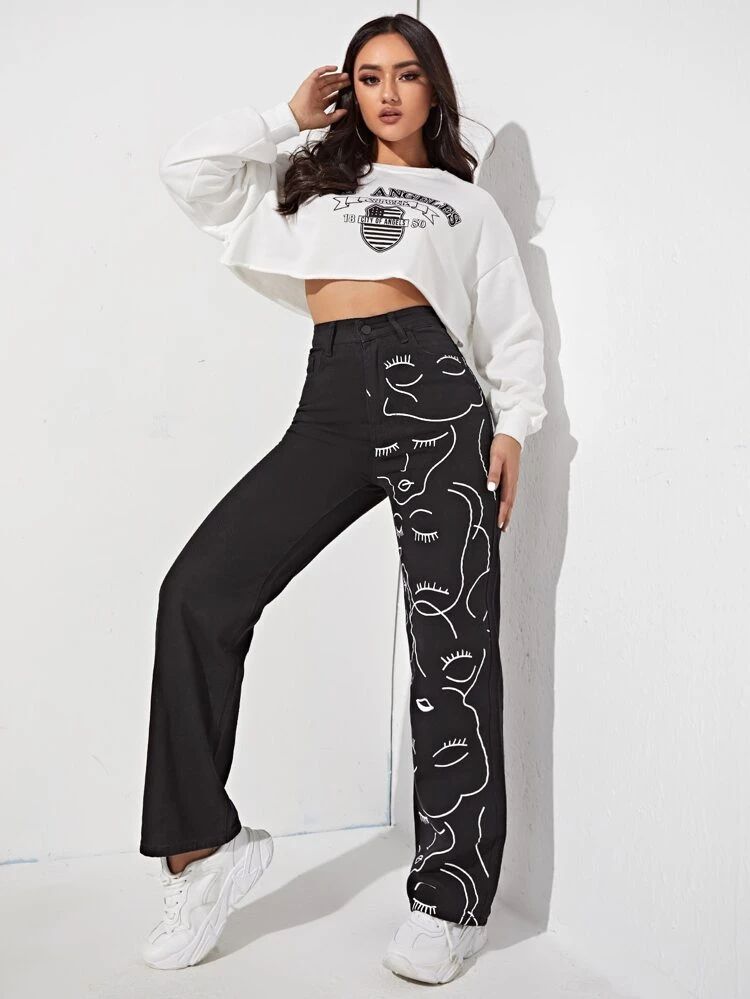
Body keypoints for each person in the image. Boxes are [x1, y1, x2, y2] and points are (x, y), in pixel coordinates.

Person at [139, 12, 547, 985]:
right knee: (197, 593)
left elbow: (512, 327)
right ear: (347, 91)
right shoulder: (310, 181)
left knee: (451, 652)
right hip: (330, 403)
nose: (388, 92)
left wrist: (514, 426)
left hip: (438, 401)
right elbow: (188, 170)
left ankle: (450, 902)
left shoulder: (464, 203)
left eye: (406, 74)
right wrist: (284, 117)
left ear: (433, 87)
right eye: (368, 77)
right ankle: (202, 849)